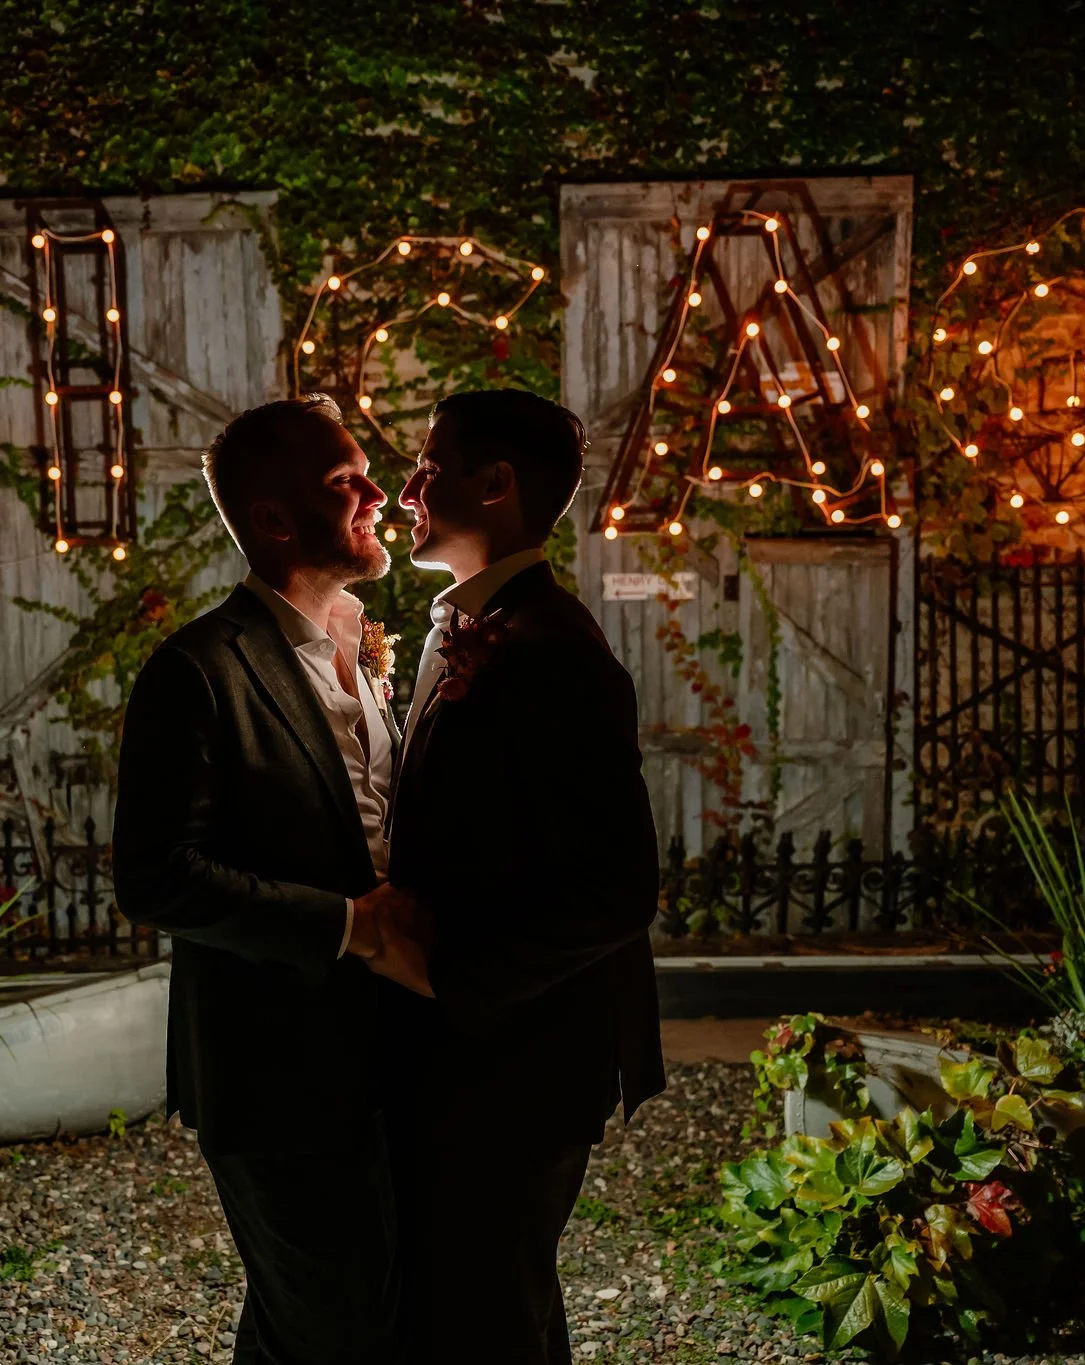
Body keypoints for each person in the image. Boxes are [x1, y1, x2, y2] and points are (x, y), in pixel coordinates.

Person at [112, 394, 427, 1365]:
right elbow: (153, 877)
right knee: (336, 1326)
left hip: (383, 1057)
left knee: (328, 1323)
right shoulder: (197, 670)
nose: (378, 493)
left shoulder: (365, 647)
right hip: (274, 1072)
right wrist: (346, 924)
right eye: (345, 482)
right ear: (275, 521)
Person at [386, 389, 665, 1365]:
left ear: (495, 485)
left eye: (429, 465)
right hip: (475, 1060)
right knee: (492, 1304)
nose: (406, 487)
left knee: (486, 1312)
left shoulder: (550, 653)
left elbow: (618, 890)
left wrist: (449, 980)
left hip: (518, 1060)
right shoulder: (468, 626)